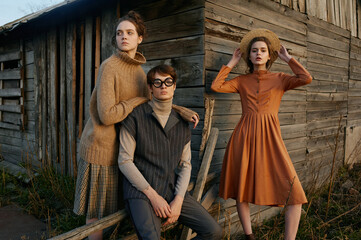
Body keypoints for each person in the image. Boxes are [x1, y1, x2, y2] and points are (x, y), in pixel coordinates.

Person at [73, 11, 199, 240]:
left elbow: (155, 100)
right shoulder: (109, 66)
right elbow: (107, 115)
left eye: (130, 33)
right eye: (119, 33)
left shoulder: (141, 73)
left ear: (139, 38)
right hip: (100, 149)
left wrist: (180, 110)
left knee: (114, 213)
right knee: (96, 215)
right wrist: (135, 101)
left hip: (123, 152)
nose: (124, 37)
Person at [211, 29, 312, 240]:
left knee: (295, 193)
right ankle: (250, 236)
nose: (258, 53)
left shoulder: (281, 78)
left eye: (263, 50)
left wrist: (288, 58)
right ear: (248, 55)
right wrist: (231, 62)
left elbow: (306, 78)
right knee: (242, 187)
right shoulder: (241, 80)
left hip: (271, 138)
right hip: (243, 137)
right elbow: (216, 86)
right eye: (254, 50)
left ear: (269, 55)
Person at [118, 64, 222, 240]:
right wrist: (153, 196)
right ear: (150, 88)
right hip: (141, 191)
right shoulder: (135, 117)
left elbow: (185, 165)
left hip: (170, 187)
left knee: (213, 231)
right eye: (157, 82)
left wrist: (179, 200)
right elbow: (124, 161)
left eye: (168, 82)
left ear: (174, 86)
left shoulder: (182, 123)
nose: (163, 86)